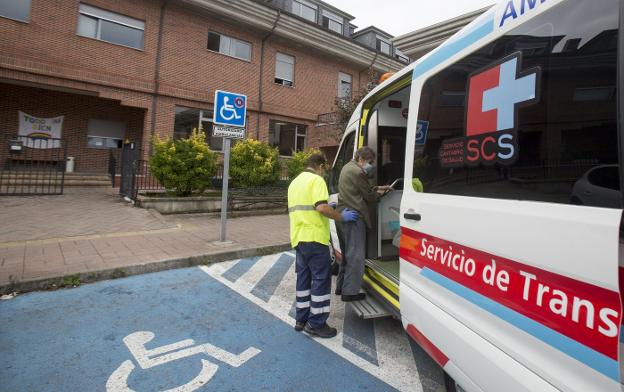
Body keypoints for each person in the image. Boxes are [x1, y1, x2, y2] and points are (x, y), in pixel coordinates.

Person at [288, 153, 359, 338]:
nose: (324, 173)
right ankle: (316, 323)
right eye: (324, 169)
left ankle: (301, 319)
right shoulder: (317, 181)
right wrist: (342, 216)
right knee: (321, 279)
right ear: (320, 166)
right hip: (315, 238)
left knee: (303, 278)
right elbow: (320, 208)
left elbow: (311, 206)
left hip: (299, 238)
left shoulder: (295, 183)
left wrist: (329, 203)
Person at [336, 146, 391, 301]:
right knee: (356, 256)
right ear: (361, 159)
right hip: (354, 218)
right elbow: (368, 196)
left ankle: (341, 287)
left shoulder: (347, 167)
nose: (371, 165)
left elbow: (359, 189)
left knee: (347, 255)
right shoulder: (358, 172)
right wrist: (382, 194)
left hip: (342, 215)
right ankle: (350, 293)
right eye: (370, 162)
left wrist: (378, 188)